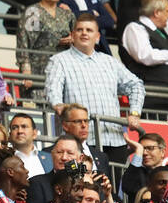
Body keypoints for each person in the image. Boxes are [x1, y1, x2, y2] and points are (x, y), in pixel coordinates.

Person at [44, 14, 144, 162]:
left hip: (114, 139)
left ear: (97, 37)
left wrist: (134, 112)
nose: (84, 33)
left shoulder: (110, 62)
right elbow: (53, 90)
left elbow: (136, 85)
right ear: (72, 35)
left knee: (114, 185)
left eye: (89, 30)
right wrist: (58, 104)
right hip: (81, 141)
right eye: (79, 30)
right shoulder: (59, 61)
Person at [120, 0, 168, 89]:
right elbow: (144, 55)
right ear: (157, 13)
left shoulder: (160, 33)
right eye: (167, 11)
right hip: (152, 91)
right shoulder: (135, 28)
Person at [16, 0, 74, 76]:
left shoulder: (66, 14)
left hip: (63, 71)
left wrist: (73, 39)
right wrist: (26, 71)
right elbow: (24, 44)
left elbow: (79, 37)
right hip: (39, 71)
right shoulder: (34, 13)